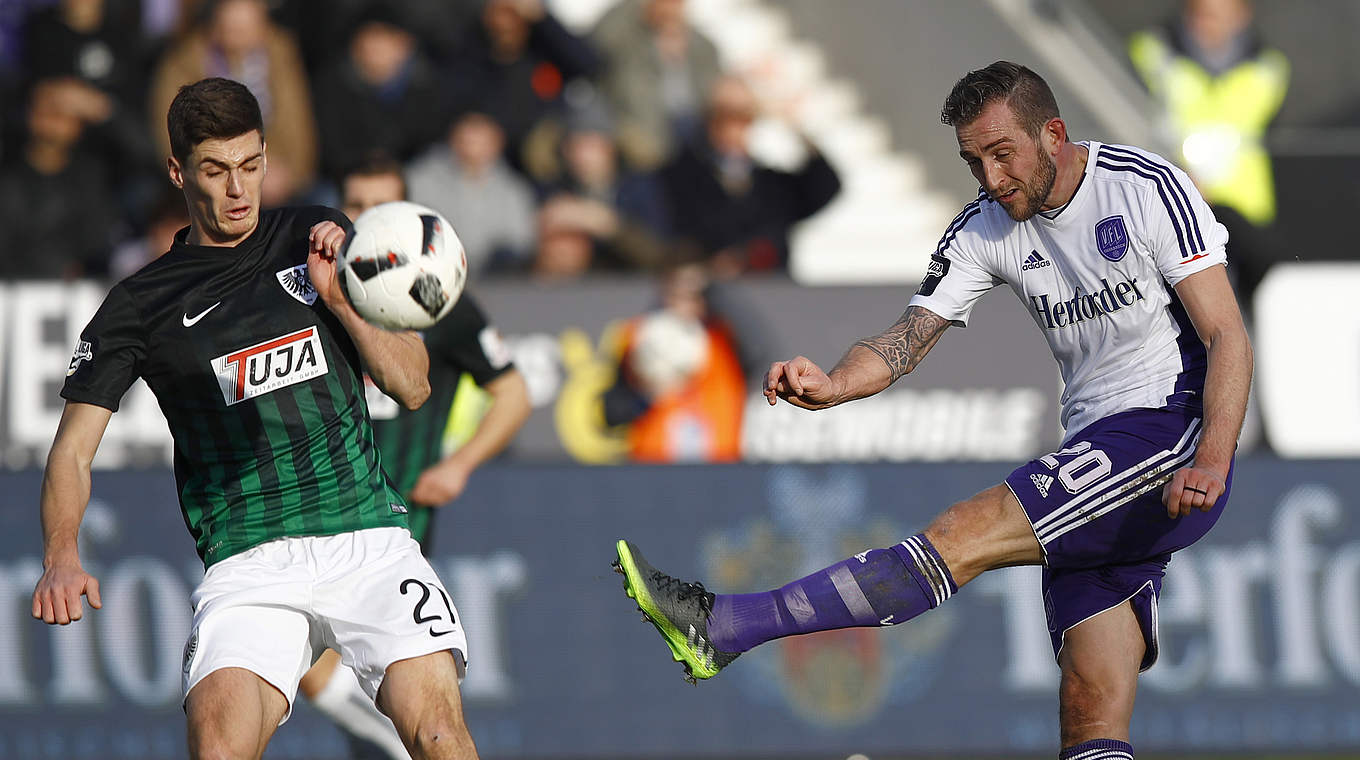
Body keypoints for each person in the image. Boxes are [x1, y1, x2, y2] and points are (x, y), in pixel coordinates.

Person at [614, 61, 1252, 760]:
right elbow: (907, 337)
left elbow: (1226, 333)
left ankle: (728, 624)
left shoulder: (1143, 188)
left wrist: (1214, 455)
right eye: (973, 161)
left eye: (1002, 153)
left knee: (960, 532)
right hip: (1095, 449)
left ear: (1054, 135)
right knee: (1091, 714)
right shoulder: (982, 228)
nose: (991, 177)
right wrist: (833, 384)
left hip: (1168, 432)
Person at [31, 78, 480, 760]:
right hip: (248, 563)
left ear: (266, 156)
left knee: (441, 735)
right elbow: (72, 452)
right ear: (179, 171)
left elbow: (413, 386)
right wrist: (62, 553)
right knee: (218, 750)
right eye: (215, 170)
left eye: (250, 165)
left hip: (368, 541)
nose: (238, 188)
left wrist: (345, 300)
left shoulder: (315, 235)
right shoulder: (138, 304)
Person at [296, 156, 532, 760]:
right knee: (345, 689)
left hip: (393, 524)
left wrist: (458, 464)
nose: (366, 215)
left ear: (405, 213)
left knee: (344, 683)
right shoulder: (303, 294)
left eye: (382, 203)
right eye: (355, 201)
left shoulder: (435, 298)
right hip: (306, 520)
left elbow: (513, 392)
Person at [1128, 0, 1287, 300]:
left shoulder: (1270, 68)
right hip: (1174, 199)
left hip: (1244, 212)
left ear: (1242, 16)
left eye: (1217, 16)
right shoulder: (1151, 52)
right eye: (1201, 14)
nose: (1208, 25)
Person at [660, 75, 840, 275]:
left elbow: (825, 187)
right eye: (724, 117)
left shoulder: (773, 185)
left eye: (744, 118)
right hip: (709, 294)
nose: (734, 129)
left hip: (772, 293)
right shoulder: (682, 179)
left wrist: (793, 124)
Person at [149, 0, 318, 204]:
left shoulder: (281, 55)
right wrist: (221, 174)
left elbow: (298, 125)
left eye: (247, 29)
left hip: (278, 175)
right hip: (208, 176)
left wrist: (286, 173)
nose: (240, 38)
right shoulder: (183, 62)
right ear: (214, 28)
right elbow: (168, 134)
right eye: (232, 29)